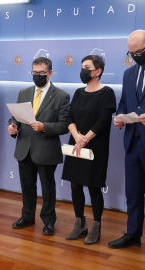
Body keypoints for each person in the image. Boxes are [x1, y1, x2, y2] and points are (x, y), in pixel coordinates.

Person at [8, 57, 70, 235]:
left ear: (50, 73)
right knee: (27, 186)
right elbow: (16, 117)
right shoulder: (24, 92)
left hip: (46, 149)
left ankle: (49, 221)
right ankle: (27, 217)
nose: (37, 76)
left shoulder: (61, 96)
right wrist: (13, 126)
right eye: (34, 73)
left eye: (41, 73)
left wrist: (45, 127)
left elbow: (64, 125)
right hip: (24, 148)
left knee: (47, 188)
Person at [62, 55, 116, 245]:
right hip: (76, 143)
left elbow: (103, 120)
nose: (83, 70)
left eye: (87, 67)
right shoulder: (78, 92)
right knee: (75, 184)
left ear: (98, 71)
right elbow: (69, 117)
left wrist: (86, 138)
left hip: (96, 146)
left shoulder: (107, 93)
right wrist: (77, 136)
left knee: (93, 186)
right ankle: (79, 224)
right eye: (82, 66)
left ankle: (96, 226)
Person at [109, 30, 145, 249]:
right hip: (132, 143)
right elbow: (124, 103)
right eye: (131, 53)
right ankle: (133, 234)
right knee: (133, 193)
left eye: (139, 52)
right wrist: (119, 118)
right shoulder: (129, 74)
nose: (135, 56)